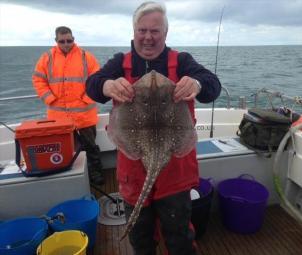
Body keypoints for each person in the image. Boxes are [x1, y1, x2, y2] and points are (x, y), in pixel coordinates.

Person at [86, 1, 221, 254]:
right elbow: (92, 84)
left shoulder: (181, 61)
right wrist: (107, 86)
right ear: (134, 31)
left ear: (165, 34)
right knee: (141, 239)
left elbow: (212, 85)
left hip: (175, 170)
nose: (148, 37)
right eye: (142, 30)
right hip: (133, 170)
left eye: (155, 31)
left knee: (179, 237)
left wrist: (197, 84)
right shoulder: (120, 63)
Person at [32, 26, 104, 185]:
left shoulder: (87, 57)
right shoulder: (47, 58)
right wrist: (49, 98)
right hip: (60, 117)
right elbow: (38, 80)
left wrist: (87, 98)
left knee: (91, 148)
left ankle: (96, 176)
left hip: (85, 114)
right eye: (62, 41)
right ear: (55, 41)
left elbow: (97, 80)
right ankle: (73, 180)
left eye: (69, 40)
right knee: (67, 151)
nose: (66, 44)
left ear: (74, 39)